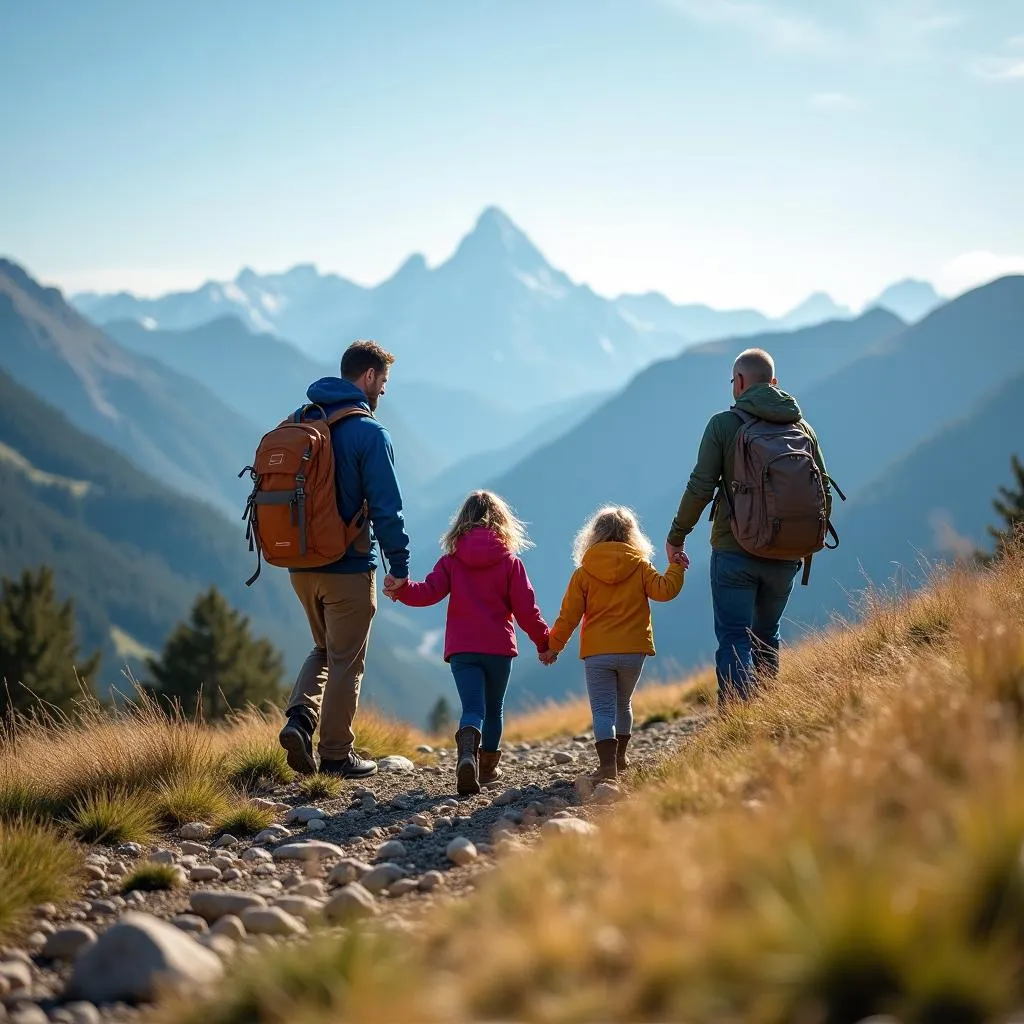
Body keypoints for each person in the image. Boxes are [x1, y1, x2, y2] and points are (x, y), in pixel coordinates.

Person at [665, 347, 832, 706]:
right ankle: (767, 715)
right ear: (773, 382)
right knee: (766, 636)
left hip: (734, 549)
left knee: (734, 636)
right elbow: (823, 488)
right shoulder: (802, 427)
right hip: (787, 552)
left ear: (738, 383)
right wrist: (804, 540)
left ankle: (737, 723)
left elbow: (700, 486)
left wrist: (677, 536)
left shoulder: (724, 425)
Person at [278, 339, 410, 778]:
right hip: (348, 567)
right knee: (346, 659)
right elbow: (387, 508)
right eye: (383, 381)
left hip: (299, 563)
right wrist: (400, 566)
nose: (384, 392)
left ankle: (300, 719)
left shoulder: (301, 419)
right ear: (368, 376)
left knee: (324, 648)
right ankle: (335, 754)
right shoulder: (368, 432)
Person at [384, 491, 550, 795]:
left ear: (461, 521)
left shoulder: (451, 561)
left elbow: (427, 593)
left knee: (473, 708)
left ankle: (466, 756)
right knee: (494, 709)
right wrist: (544, 642)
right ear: (502, 521)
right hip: (499, 649)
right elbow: (527, 609)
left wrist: (402, 589)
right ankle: (487, 769)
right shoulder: (510, 563)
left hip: (462, 650)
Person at [545, 506, 687, 781]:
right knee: (624, 703)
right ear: (632, 535)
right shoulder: (640, 566)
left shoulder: (584, 573)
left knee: (602, 710)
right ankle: (620, 759)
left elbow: (569, 617)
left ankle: (607, 766)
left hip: (598, 652)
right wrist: (676, 566)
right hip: (634, 651)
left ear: (594, 535)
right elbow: (665, 591)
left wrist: (553, 647)